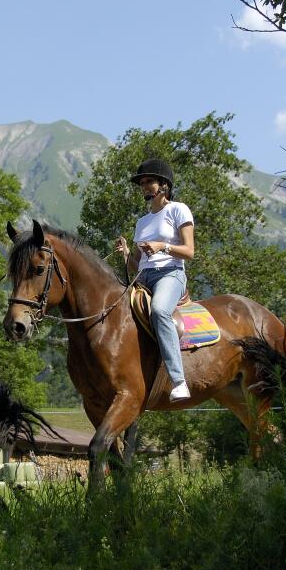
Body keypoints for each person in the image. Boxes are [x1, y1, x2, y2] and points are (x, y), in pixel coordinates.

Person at [114, 158, 195, 402]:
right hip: (143, 277)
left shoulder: (178, 209)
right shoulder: (142, 222)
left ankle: (179, 381)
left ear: (164, 186)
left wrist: (162, 246)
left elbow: (189, 252)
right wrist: (127, 253)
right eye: (142, 183)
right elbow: (137, 264)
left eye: (150, 181)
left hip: (170, 274)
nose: (145, 186)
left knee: (159, 310)